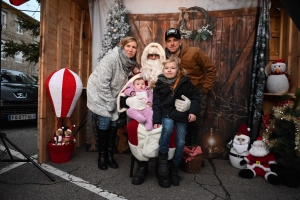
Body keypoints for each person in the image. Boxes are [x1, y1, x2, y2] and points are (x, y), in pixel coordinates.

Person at [117, 43, 191, 185]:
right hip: (141, 114)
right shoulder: (138, 77)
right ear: (145, 58)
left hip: (165, 113)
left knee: (171, 128)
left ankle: (162, 165)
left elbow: (186, 92)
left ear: (161, 58)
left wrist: (186, 103)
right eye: (150, 56)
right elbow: (121, 97)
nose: (153, 58)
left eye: (156, 56)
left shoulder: (171, 77)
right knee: (133, 127)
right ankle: (142, 165)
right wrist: (129, 100)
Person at [87, 36, 140, 170]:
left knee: (114, 121)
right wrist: (110, 102)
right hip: (99, 93)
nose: (131, 49)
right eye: (128, 46)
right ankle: (102, 156)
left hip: (112, 95)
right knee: (105, 120)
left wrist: (136, 71)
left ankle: (110, 155)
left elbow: (130, 71)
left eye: (134, 47)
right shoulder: (111, 58)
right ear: (122, 47)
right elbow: (102, 84)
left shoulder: (128, 62)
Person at [153, 57, 201, 187]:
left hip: (181, 115)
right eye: (166, 68)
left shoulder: (185, 82)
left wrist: (193, 111)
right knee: (167, 129)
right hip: (167, 114)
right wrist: (156, 120)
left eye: (173, 68)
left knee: (180, 142)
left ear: (178, 69)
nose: (169, 70)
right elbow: (156, 104)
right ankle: (162, 162)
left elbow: (196, 97)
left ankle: (174, 168)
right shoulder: (159, 84)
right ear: (163, 69)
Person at [164, 28, 217, 146]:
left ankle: (194, 154)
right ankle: (179, 153)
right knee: (178, 123)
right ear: (166, 43)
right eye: (169, 41)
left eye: (175, 40)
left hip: (196, 93)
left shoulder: (195, 52)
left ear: (180, 41)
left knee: (195, 123)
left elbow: (211, 69)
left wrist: (204, 89)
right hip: (176, 95)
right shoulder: (165, 57)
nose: (172, 43)